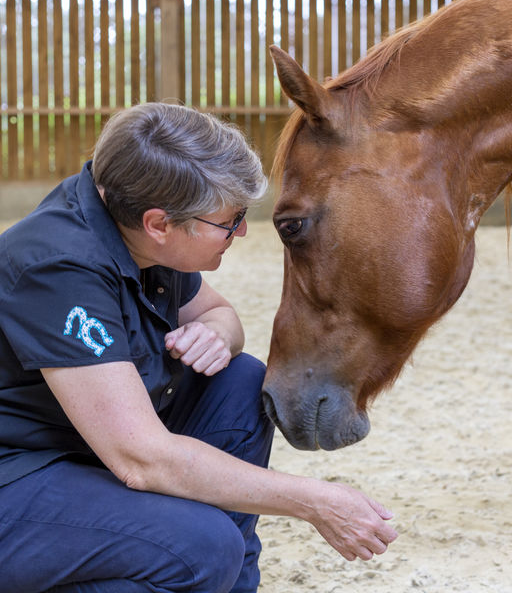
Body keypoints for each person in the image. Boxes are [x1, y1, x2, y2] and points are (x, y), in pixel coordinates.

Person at [0, 102, 397, 592]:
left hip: (84, 444)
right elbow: (140, 457)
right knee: (200, 548)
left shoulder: (132, 225)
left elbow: (221, 317)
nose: (241, 231)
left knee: (243, 382)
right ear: (159, 224)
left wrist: (217, 333)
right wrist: (314, 500)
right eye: (229, 220)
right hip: (19, 476)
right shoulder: (58, 270)